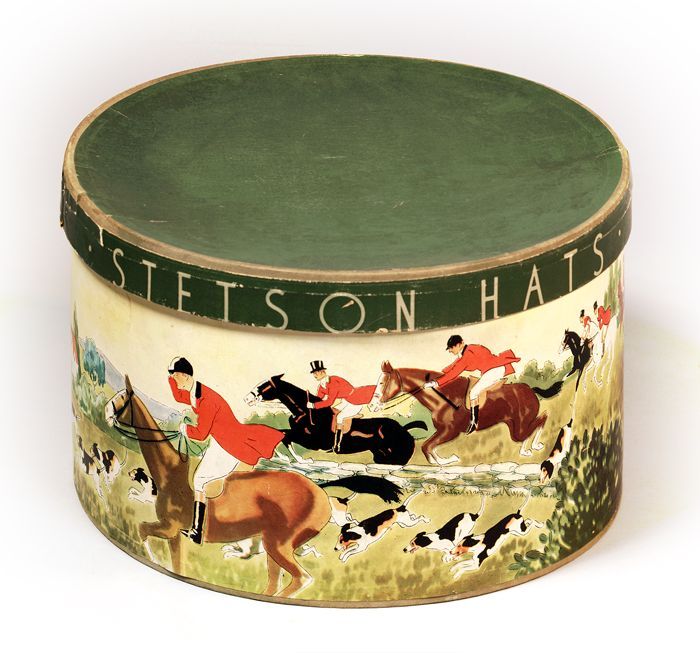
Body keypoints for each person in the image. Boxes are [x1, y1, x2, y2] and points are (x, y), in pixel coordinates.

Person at [168, 357, 283, 544]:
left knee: (199, 480)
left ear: (185, 376)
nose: (174, 380)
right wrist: (170, 374)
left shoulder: (207, 400)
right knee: (200, 479)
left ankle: (197, 531)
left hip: (229, 446)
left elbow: (201, 434)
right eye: (173, 377)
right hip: (221, 440)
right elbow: (178, 396)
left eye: (176, 376)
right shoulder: (196, 392)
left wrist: (184, 429)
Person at [424, 335, 520, 434]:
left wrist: (435, 382)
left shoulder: (467, 355)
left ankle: (474, 422)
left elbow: (454, 373)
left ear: (459, 344)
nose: (450, 351)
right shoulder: (471, 348)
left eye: (451, 348)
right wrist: (444, 371)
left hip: (493, 370)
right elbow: (457, 364)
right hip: (495, 368)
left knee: (473, 393)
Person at [306, 360, 375, 452]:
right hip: (346, 401)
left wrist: (314, 405)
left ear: (323, 372)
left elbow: (329, 402)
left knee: (339, 417)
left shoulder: (333, 381)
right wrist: (311, 402)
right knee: (332, 411)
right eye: (313, 373)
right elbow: (318, 398)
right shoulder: (322, 385)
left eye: (316, 373)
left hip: (355, 401)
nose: (314, 375)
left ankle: (337, 445)